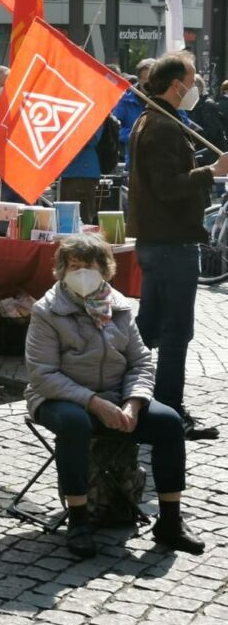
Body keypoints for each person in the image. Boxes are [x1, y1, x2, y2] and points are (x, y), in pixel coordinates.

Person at [24, 234, 204, 558]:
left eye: (88, 267)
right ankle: (78, 520)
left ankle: (171, 520)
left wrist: (134, 403)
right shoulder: (47, 311)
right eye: (74, 266)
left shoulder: (120, 308)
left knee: (169, 422)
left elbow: (140, 361)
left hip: (117, 396)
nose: (81, 273)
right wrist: (93, 402)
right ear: (62, 270)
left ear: (105, 270)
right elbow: (43, 374)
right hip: (59, 398)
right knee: (75, 423)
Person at [128, 51, 228, 440]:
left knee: (149, 327)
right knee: (174, 332)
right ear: (176, 86)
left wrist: (204, 161)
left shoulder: (152, 120)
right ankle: (169, 411)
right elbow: (168, 186)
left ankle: (137, 398)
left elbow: (166, 174)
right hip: (170, 242)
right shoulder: (161, 125)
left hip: (160, 239)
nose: (196, 87)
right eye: (192, 79)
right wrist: (212, 171)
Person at [57, 123, 103, 226]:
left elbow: (92, 139)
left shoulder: (93, 113)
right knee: (65, 221)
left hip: (83, 173)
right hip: (68, 172)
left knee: (83, 221)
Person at [113, 58, 155, 166]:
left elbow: (182, 123)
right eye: (146, 79)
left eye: (153, 79)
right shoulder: (125, 101)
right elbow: (115, 129)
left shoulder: (168, 97)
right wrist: (137, 135)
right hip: (135, 162)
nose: (149, 83)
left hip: (162, 161)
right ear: (139, 80)